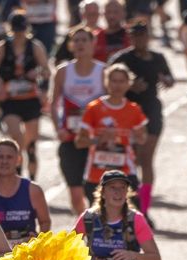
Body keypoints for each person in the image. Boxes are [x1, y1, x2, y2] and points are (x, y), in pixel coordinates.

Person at [109, 22, 175, 217]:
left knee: (146, 159)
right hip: (126, 115)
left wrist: (167, 81)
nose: (140, 39)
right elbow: (108, 82)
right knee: (130, 160)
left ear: (149, 36)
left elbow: (169, 78)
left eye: (143, 35)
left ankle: (144, 208)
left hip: (151, 112)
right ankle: (127, 204)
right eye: (135, 36)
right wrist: (129, 86)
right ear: (130, 38)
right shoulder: (122, 59)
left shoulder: (158, 58)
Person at [0, 12, 50, 179]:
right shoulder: (2, 47)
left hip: (30, 99)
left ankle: (32, 180)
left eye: (21, 31)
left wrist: (38, 78)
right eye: (16, 31)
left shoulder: (35, 46)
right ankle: (18, 174)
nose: (19, 35)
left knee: (31, 146)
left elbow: (46, 70)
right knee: (16, 138)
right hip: (10, 100)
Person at [51, 25, 106, 215]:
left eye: (85, 40)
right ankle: (84, 227)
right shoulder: (63, 71)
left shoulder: (102, 71)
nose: (80, 44)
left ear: (93, 43)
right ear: (70, 45)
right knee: (75, 193)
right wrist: (58, 128)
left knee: (95, 191)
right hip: (70, 138)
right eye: (77, 40)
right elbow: (53, 103)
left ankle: (95, 231)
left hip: (94, 141)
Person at [76, 64, 149, 201]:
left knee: (131, 218)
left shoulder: (134, 110)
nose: (117, 86)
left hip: (125, 172)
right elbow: (79, 142)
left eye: (121, 81)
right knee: (98, 219)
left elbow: (143, 139)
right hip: (97, 174)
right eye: (113, 81)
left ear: (128, 84)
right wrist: (98, 140)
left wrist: (138, 136)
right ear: (106, 82)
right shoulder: (94, 108)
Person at [0, 139, 53, 248]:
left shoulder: (33, 190)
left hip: (26, 255)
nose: (4, 161)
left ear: (18, 160)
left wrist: (38, 241)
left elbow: (45, 222)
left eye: (9, 157)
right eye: (0, 157)